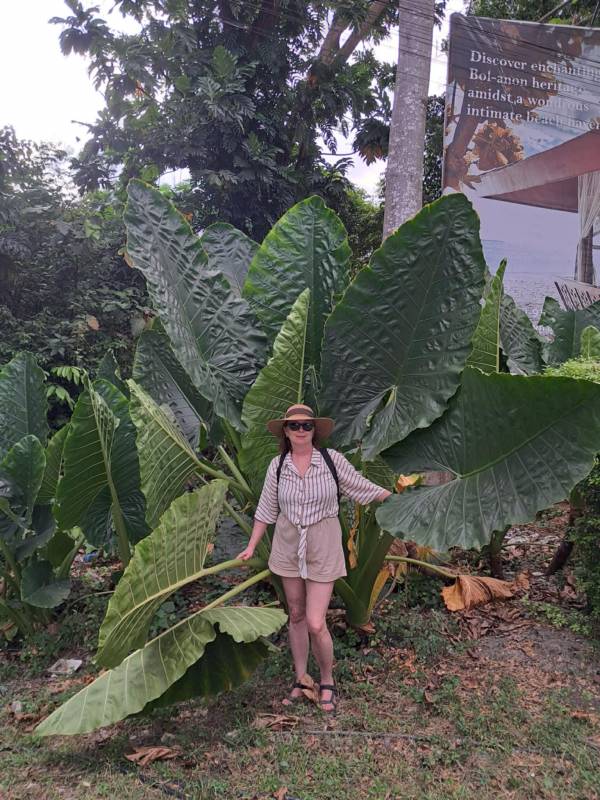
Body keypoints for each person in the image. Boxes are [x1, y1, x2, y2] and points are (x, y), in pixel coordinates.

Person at [237, 403, 391, 713]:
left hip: (322, 542)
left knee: (316, 621)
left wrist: (399, 499)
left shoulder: (331, 461)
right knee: (295, 614)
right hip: (287, 543)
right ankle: (301, 678)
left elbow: (362, 488)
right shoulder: (278, 465)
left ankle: (327, 680)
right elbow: (266, 509)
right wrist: (252, 546)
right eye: (294, 425)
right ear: (285, 431)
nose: (301, 430)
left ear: (314, 430)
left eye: (306, 425)